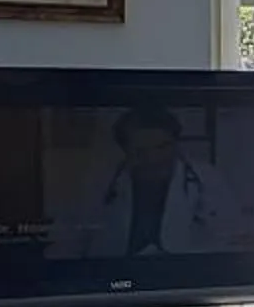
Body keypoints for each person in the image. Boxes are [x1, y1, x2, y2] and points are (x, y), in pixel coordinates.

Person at [51, 105, 238, 259]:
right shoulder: (102, 181)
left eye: (163, 147)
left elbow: (231, 238)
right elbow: (69, 240)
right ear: (125, 151)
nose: (154, 158)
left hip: (182, 276)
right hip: (115, 279)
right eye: (141, 151)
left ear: (176, 143)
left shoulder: (206, 179)